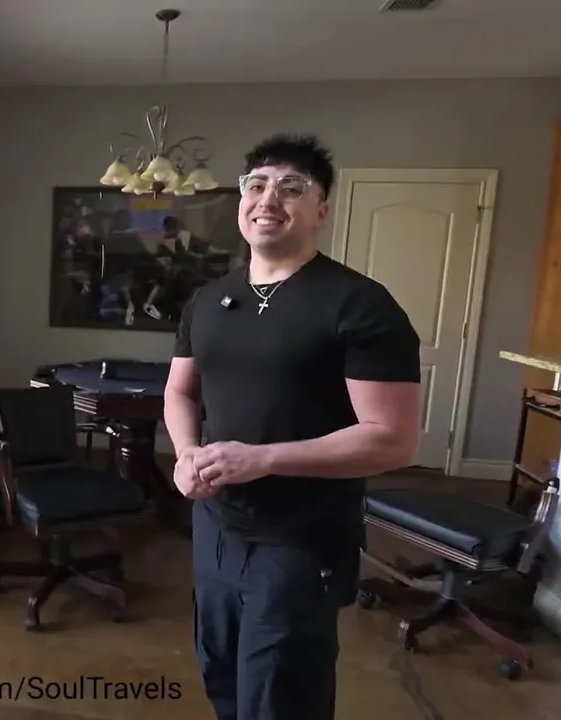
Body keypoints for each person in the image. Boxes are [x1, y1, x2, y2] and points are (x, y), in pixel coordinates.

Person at [163, 134, 421, 720]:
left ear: (321, 211)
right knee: (221, 671)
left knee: (280, 694)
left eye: (291, 187)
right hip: (216, 524)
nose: (268, 198)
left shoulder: (359, 304)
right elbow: (180, 391)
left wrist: (263, 459)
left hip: (302, 535)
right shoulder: (208, 300)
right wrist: (185, 452)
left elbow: (393, 439)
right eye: (256, 185)